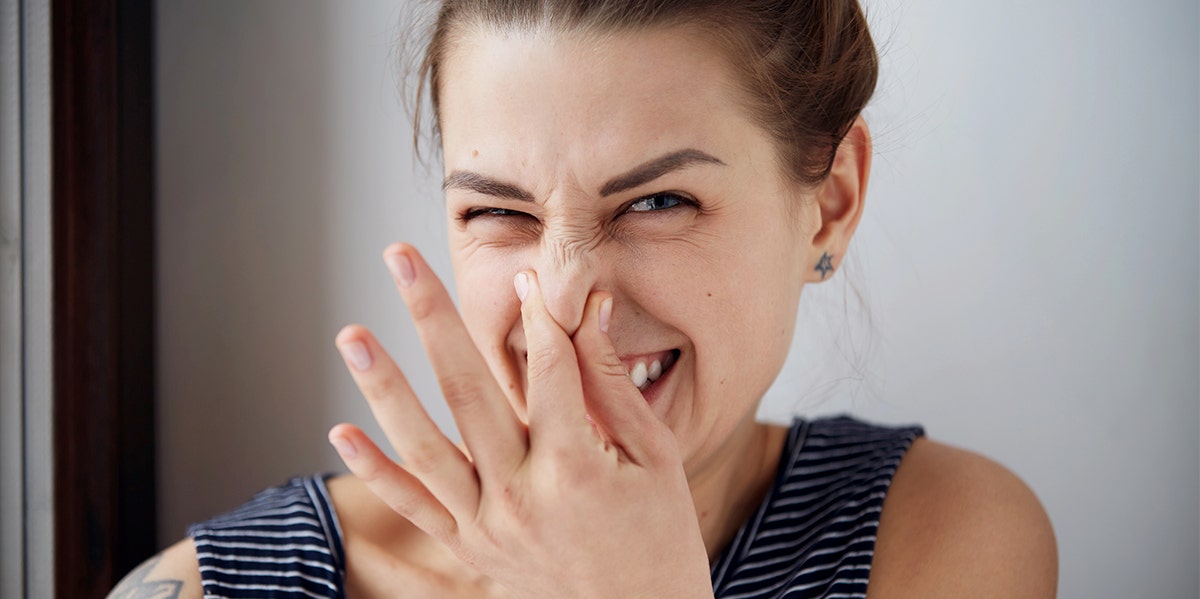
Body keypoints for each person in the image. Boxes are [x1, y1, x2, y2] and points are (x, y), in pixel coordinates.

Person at [111, 1, 1057, 597]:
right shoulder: (220, 586)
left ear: (830, 202)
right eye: (498, 211)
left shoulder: (937, 541)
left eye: (657, 201)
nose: (560, 300)